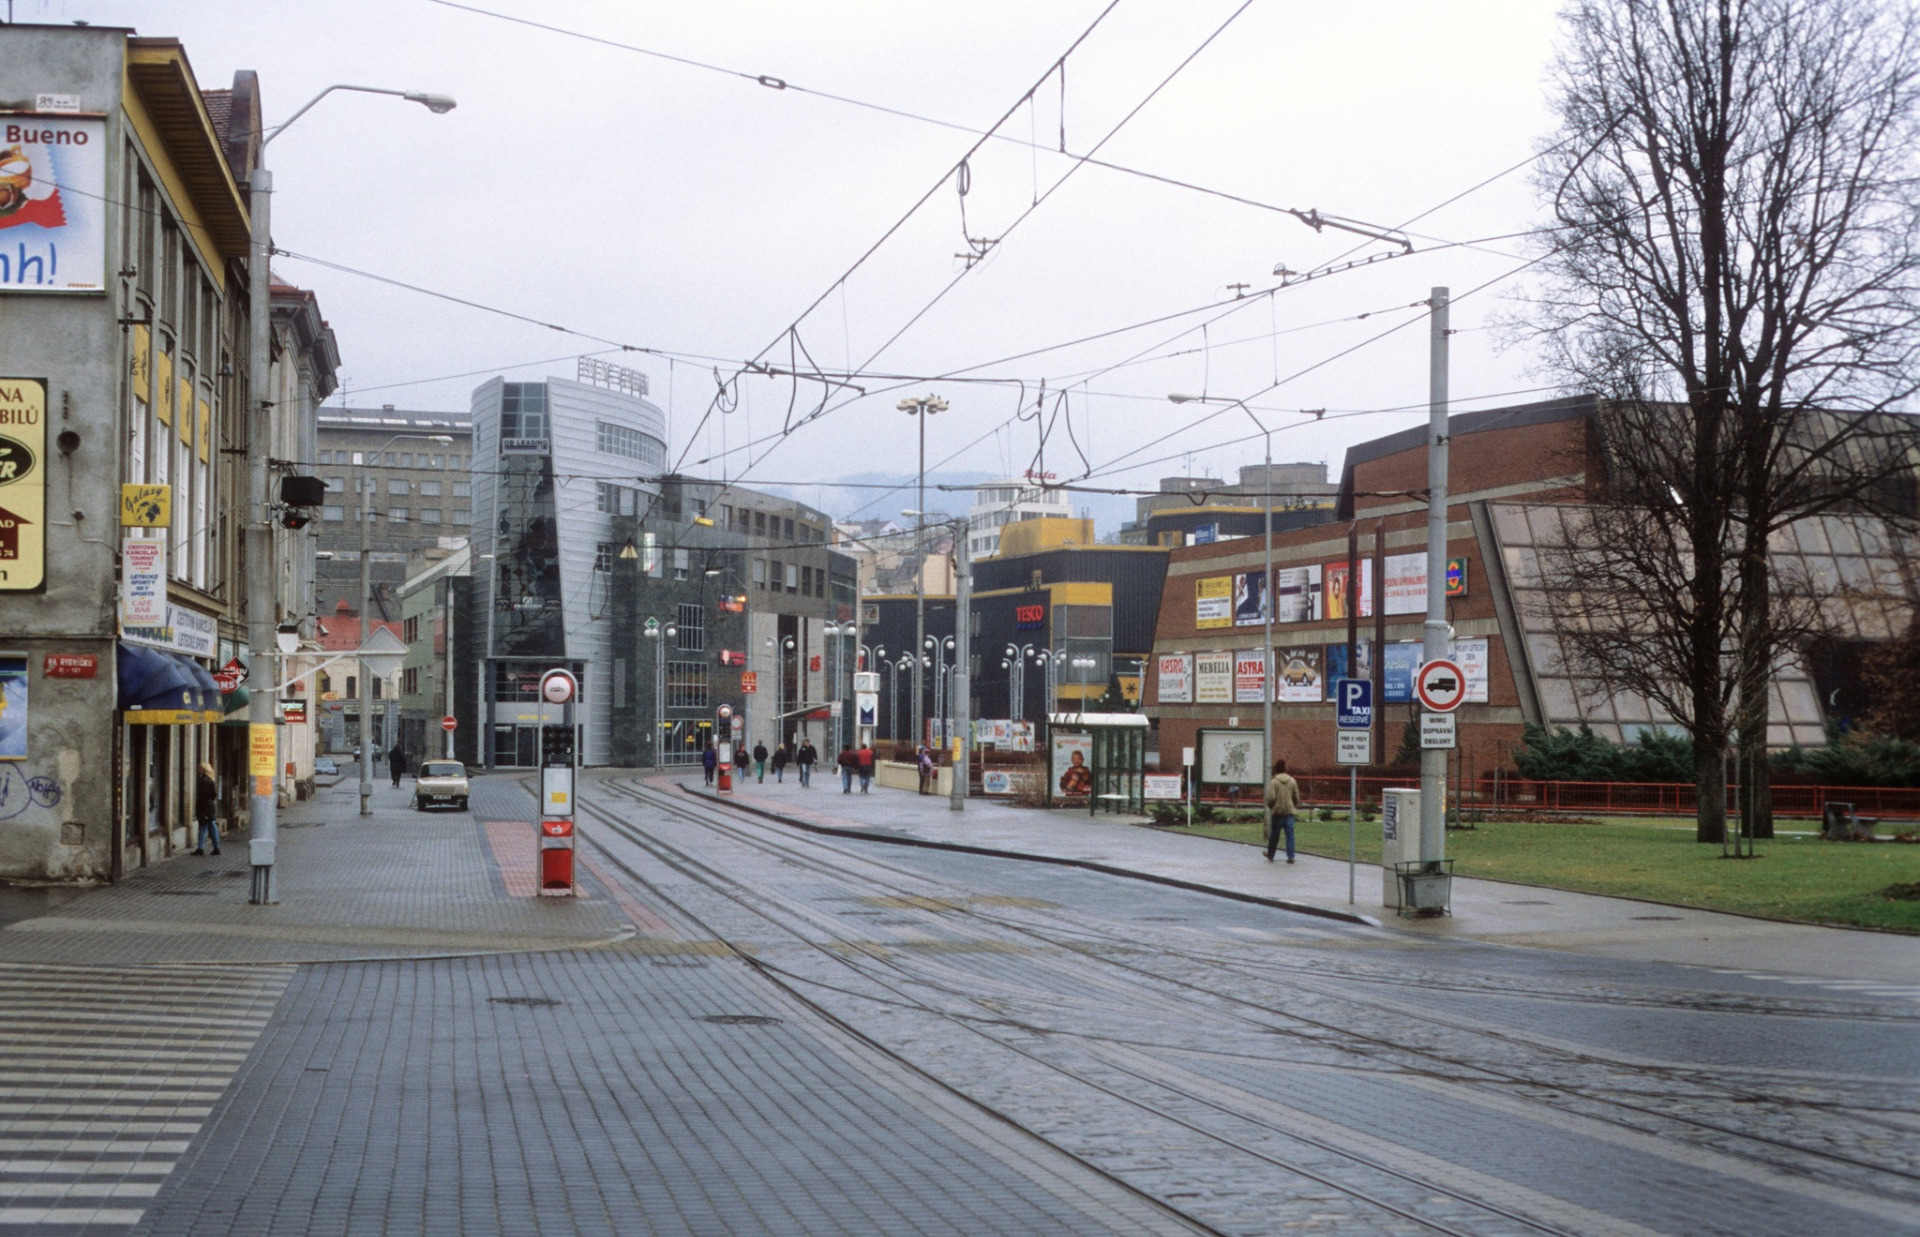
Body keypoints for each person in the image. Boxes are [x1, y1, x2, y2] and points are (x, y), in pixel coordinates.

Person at [1264, 757, 1300, 864]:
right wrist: (1294, 805)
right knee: (1290, 834)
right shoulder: (1292, 781)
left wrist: (1272, 807)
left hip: (1278, 812)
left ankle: (1271, 854)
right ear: (1285, 769)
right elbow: (1296, 796)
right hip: (1289, 812)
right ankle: (1291, 856)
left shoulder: (1274, 782)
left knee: (1275, 834)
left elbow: (1270, 798)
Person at [191, 762, 220, 856]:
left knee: (203, 828)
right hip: (210, 806)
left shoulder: (203, 780)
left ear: (204, 770)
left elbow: (203, 796)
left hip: (204, 807)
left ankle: (200, 848)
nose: (198, 770)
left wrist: (202, 809)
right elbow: (214, 794)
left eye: (200, 768)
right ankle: (216, 847)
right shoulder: (211, 780)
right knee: (212, 826)